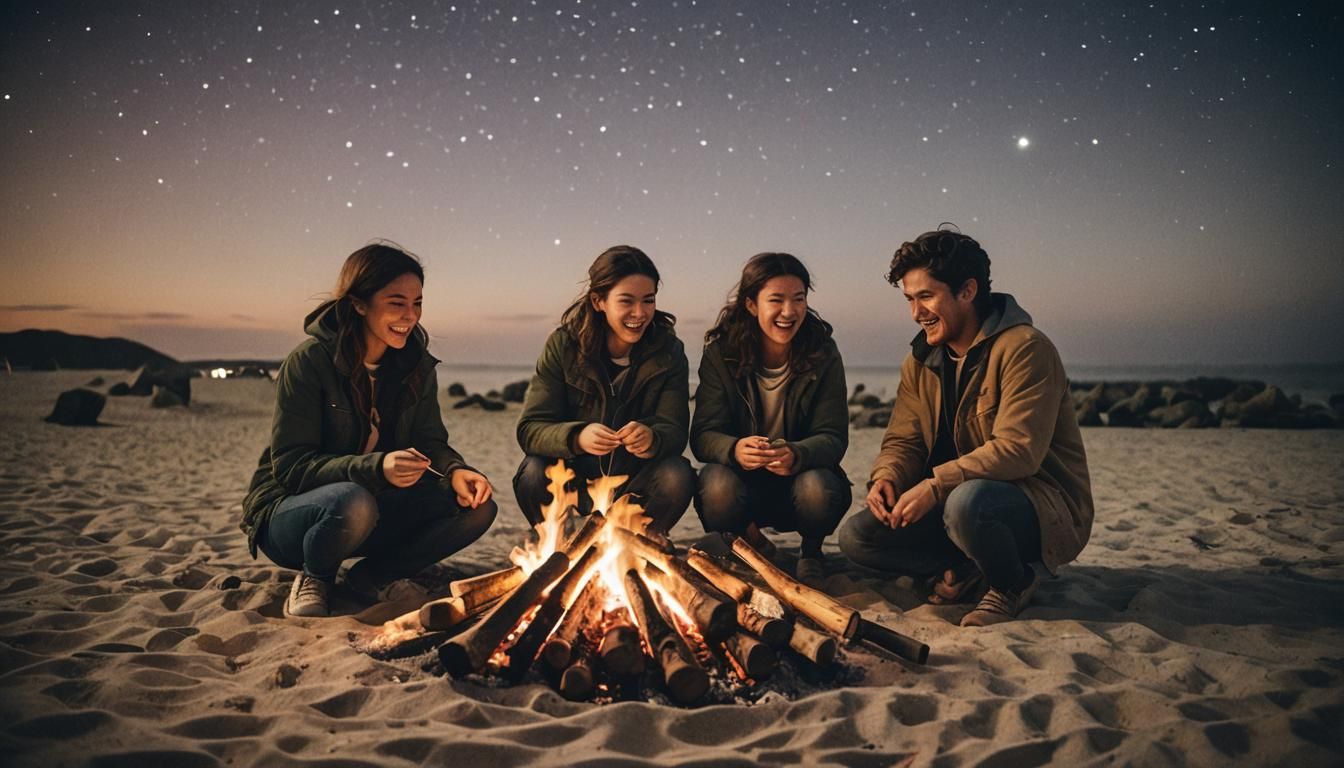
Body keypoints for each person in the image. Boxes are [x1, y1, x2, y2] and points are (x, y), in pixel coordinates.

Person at [838, 227, 1093, 626]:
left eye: (926, 297)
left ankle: (1012, 582)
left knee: (966, 503)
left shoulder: (1026, 348)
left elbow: (1018, 451)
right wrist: (887, 476)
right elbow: (904, 439)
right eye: (909, 299)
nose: (915, 312)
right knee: (857, 537)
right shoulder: (920, 360)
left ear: (967, 291)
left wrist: (935, 485)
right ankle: (971, 568)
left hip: (1036, 505)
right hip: (954, 505)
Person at [241, 243, 497, 618]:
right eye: (396, 303)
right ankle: (317, 576)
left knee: (476, 507)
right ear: (360, 304)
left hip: (373, 505)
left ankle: (373, 576)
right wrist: (376, 468)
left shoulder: (415, 366)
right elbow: (292, 467)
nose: (410, 316)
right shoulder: (309, 362)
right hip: (293, 513)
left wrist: (456, 470)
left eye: (418, 303)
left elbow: (429, 440)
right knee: (352, 500)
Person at [691, 253, 851, 587]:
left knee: (818, 487)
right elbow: (704, 434)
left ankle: (811, 553)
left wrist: (798, 454)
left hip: (800, 476)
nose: (789, 312)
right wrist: (735, 449)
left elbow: (833, 435)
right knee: (714, 484)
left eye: (799, 299)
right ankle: (753, 542)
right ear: (751, 305)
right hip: (743, 480)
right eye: (776, 300)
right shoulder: (722, 354)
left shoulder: (823, 352)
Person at [514, 245, 695, 533]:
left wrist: (652, 438)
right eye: (627, 301)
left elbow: (675, 432)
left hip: (635, 481)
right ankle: (558, 551)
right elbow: (530, 429)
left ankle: (636, 551)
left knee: (677, 474)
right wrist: (576, 436)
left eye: (648, 301)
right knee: (533, 471)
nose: (640, 313)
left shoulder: (669, 351)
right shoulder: (563, 346)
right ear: (599, 301)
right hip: (574, 477)